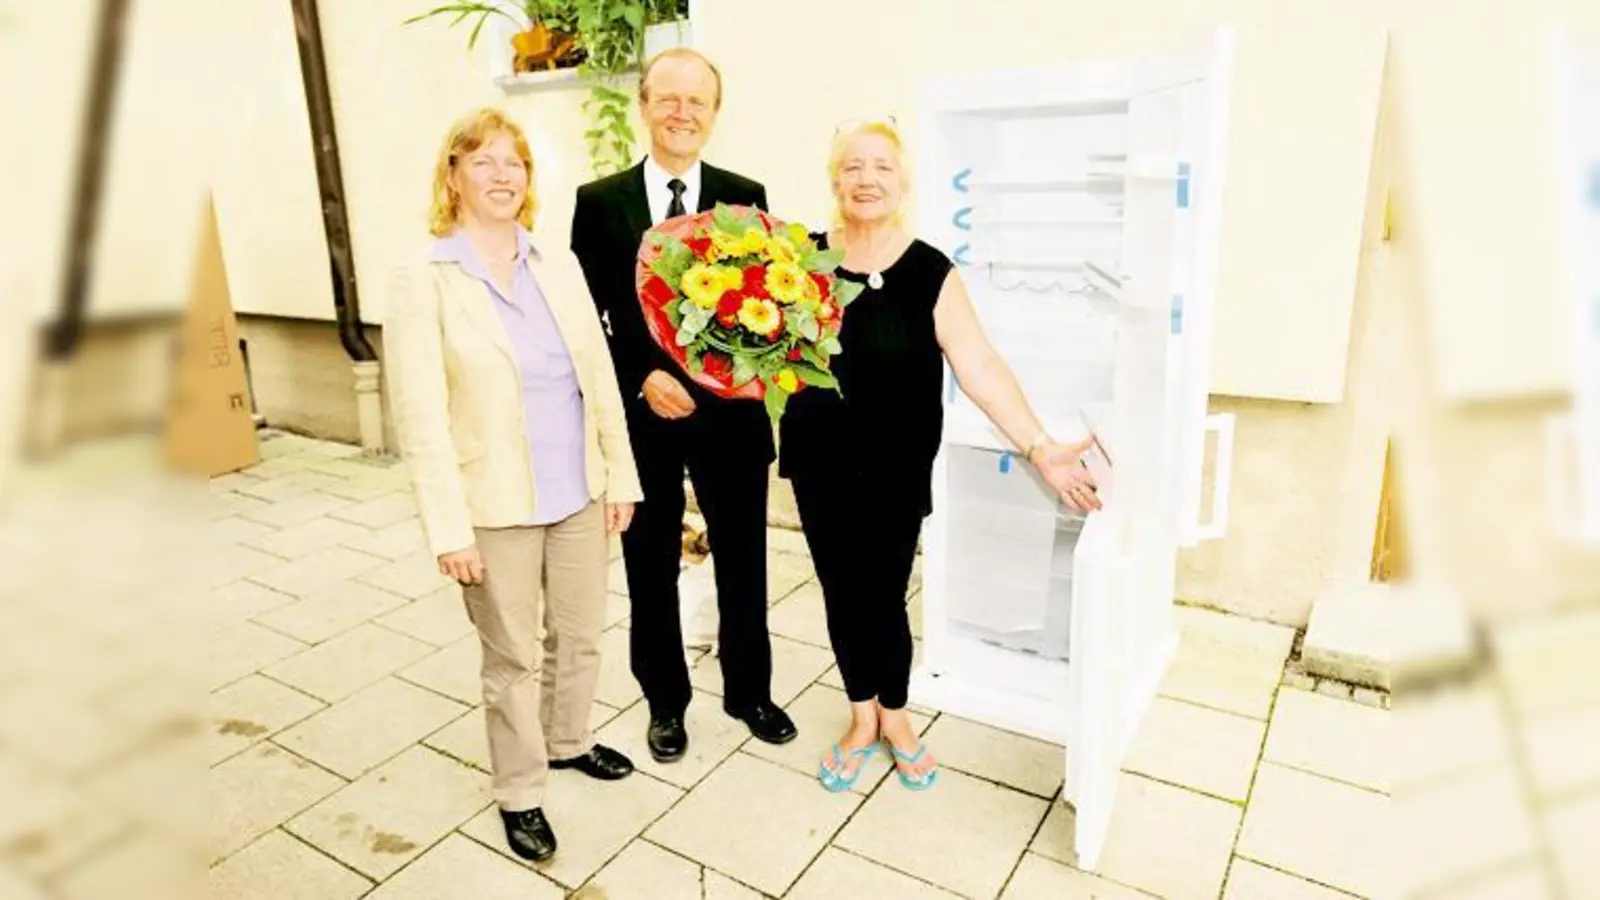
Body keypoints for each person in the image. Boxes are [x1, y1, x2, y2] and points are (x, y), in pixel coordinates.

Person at [779, 118, 1102, 793]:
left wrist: (1040, 446)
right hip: (819, 460)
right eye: (853, 166)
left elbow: (979, 364)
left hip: (894, 469)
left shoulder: (930, 272)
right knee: (840, 590)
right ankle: (860, 717)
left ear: (903, 183)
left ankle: (896, 716)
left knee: (885, 594)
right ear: (835, 180)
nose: (867, 179)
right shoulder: (800, 261)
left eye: (882, 167)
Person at [386, 107, 643, 863]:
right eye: (484, 161)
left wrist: (620, 476)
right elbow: (421, 416)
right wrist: (448, 529)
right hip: (492, 505)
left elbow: (598, 379)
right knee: (512, 658)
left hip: (578, 491)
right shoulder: (424, 278)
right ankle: (521, 790)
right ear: (453, 177)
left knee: (582, 635)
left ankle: (568, 740)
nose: (503, 175)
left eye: (515, 162)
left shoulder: (556, 264)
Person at [570, 48, 797, 762]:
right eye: (667, 98)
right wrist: (641, 376)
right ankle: (665, 701)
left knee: (745, 559)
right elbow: (585, 321)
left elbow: (766, 307)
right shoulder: (599, 203)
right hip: (644, 418)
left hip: (731, 418)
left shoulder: (743, 197)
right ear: (643, 106)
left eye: (697, 101)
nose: (682, 113)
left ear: (714, 114)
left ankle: (750, 690)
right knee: (648, 564)